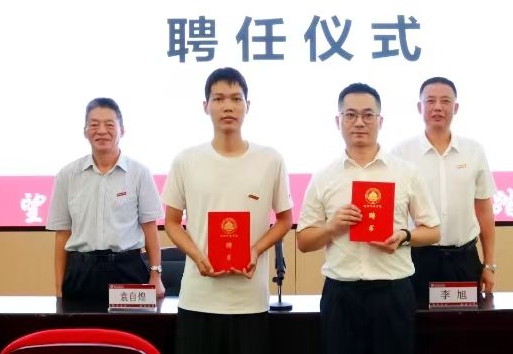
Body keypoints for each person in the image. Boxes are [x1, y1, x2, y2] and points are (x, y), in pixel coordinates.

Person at [297, 83, 441, 354]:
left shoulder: (406, 172)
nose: (359, 123)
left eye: (367, 115)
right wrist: (332, 227)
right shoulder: (324, 177)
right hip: (342, 294)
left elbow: (433, 231)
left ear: (380, 121)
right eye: (350, 115)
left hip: (392, 293)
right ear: (338, 121)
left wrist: (404, 237)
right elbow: (303, 241)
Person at [162, 67, 293, 354]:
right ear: (205, 106)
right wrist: (197, 256)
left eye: (236, 98)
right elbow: (171, 222)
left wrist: (256, 250)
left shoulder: (270, 159)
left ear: (248, 105)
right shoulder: (186, 160)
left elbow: (285, 220)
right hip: (198, 298)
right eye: (219, 99)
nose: (228, 106)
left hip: (250, 301)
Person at [392, 76, 497, 308]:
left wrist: (489, 264)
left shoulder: (474, 151)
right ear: (419, 107)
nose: (438, 107)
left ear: (455, 108)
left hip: (463, 260)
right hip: (416, 259)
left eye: (445, 101)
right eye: (430, 101)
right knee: (416, 323)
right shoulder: (401, 153)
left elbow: (484, 211)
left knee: (462, 326)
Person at [46, 97, 165, 302]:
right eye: (94, 125)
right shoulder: (67, 175)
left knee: (131, 324)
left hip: (128, 269)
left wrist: (156, 274)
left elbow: (150, 228)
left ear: (122, 130)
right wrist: (58, 288)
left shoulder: (139, 173)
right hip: (81, 272)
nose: (101, 131)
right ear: (85, 131)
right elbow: (62, 235)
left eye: (109, 125)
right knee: (79, 324)